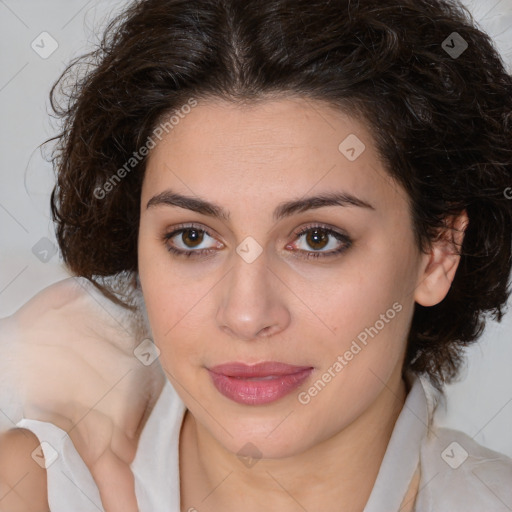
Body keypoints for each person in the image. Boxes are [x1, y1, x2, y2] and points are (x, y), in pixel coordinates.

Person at [1, 0, 511, 510]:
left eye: (317, 239)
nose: (246, 315)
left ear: (439, 252)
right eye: (193, 238)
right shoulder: (39, 488)